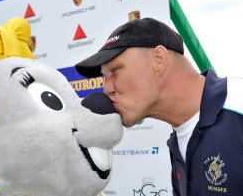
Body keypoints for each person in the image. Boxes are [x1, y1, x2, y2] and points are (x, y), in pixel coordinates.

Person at [75, 18, 243, 196]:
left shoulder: (237, 107)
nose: (106, 88)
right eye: (104, 77)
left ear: (158, 59)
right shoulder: (179, 140)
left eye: (115, 70)